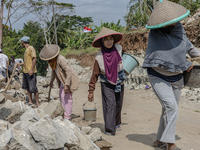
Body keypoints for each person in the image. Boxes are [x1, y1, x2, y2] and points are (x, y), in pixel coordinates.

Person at [143, 1, 200, 150]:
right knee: (171, 107)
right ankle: (170, 143)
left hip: (177, 78)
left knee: (167, 109)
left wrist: (193, 58)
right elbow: (167, 54)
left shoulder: (180, 31)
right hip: (158, 76)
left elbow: (190, 48)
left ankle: (158, 140)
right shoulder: (155, 35)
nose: (173, 23)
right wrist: (185, 64)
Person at [88, 27, 127, 135]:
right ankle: (110, 129)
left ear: (114, 40)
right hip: (106, 82)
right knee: (110, 104)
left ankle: (117, 123)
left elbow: (126, 57)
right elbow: (95, 74)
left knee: (118, 104)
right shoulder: (99, 57)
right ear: (102, 42)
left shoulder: (119, 48)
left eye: (111, 39)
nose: (109, 41)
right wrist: (91, 90)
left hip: (119, 80)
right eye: (106, 39)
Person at [39, 44, 79, 120]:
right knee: (61, 97)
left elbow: (68, 71)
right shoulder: (52, 61)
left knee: (67, 98)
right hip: (62, 82)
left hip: (68, 81)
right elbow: (54, 72)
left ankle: (67, 116)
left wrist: (67, 85)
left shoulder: (61, 59)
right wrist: (51, 81)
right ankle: (64, 113)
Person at [18, 36, 40, 107]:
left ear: (23, 42)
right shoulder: (26, 50)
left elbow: (34, 58)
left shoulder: (31, 48)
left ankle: (37, 102)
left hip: (30, 72)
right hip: (25, 71)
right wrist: (20, 64)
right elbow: (27, 61)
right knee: (27, 87)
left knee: (33, 87)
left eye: (21, 42)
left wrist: (31, 70)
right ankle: (30, 101)